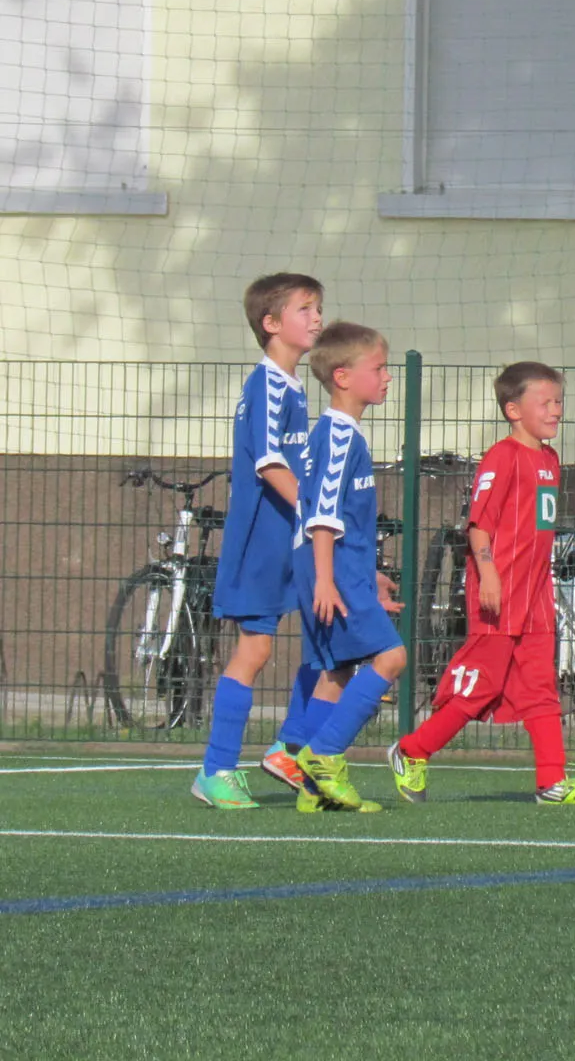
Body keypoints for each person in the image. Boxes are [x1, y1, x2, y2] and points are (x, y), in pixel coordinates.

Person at [386, 362, 575, 806]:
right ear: (513, 410)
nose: (556, 410)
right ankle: (412, 750)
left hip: (536, 596)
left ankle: (552, 782)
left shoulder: (549, 460)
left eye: (559, 401)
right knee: (479, 689)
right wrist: (487, 575)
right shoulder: (502, 457)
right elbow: (479, 525)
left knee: (542, 689)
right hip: (499, 595)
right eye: (545, 402)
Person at [191, 273, 324, 810]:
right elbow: (269, 463)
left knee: (328, 635)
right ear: (271, 324)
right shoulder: (266, 383)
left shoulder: (292, 385)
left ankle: (288, 748)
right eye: (304, 309)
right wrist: (315, 514)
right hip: (262, 540)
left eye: (318, 308)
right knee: (256, 649)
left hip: (291, 535)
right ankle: (216, 770)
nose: (317, 318)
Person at [281, 322, 409, 811]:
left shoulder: (340, 433)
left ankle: (313, 791)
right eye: (378, 368)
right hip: (329, 571)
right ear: (342, 376)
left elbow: (336, 518)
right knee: (391, 657)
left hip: (334, 567)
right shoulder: (338, 436)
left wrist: (364, 573)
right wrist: (328, 579)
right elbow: (321, 515)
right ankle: (326, 755)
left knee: (334, 670)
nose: (387, 377)